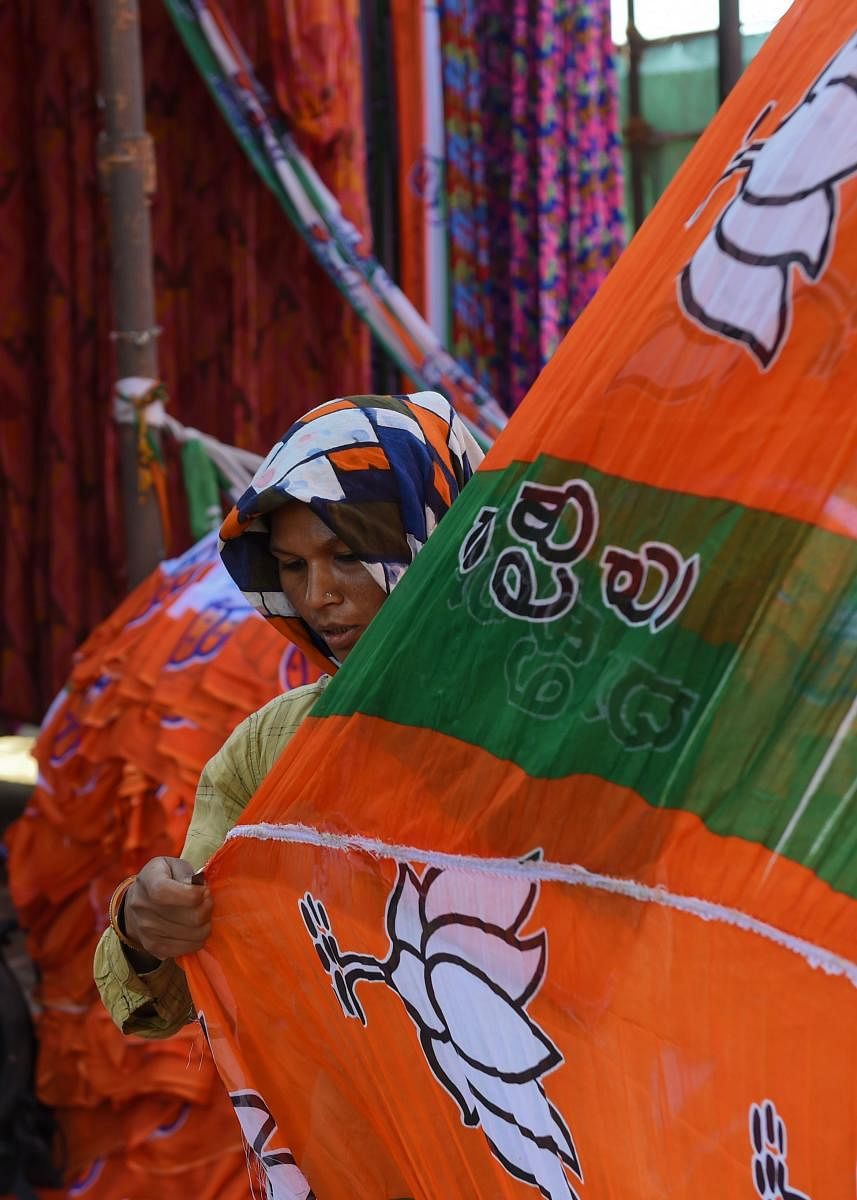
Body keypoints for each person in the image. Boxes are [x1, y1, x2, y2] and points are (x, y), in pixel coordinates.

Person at [94, 391, 483, 1038]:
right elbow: (162, 1005)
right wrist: (144, 923)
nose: (316, 597)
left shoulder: (558, 720)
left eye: (348, 557)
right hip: (353, 1127)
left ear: (438, 541)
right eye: (292, 567)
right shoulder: (273, 748)